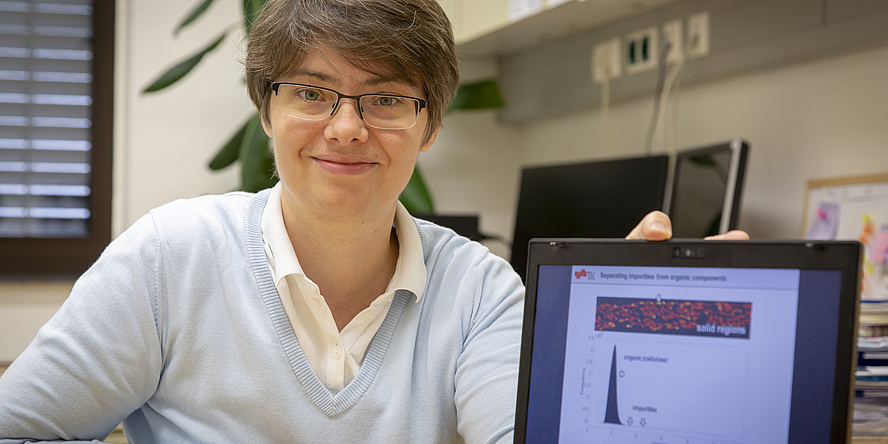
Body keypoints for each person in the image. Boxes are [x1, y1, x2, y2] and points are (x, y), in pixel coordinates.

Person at [0, 0, 747, 442]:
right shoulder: (170, 258)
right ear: (267, 110)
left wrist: (603, 335)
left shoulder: (482, 289)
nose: (347, 127)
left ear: (430, 126)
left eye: (387, 99)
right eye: (312, 93)